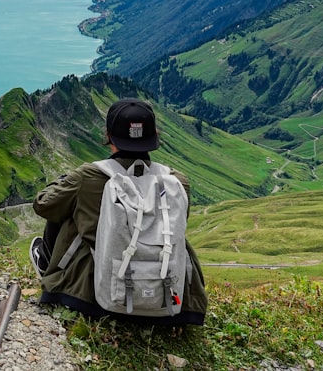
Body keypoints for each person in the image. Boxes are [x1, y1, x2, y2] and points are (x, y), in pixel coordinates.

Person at [30, 97, 208, 325]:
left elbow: (44, 204)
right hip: (169, 299)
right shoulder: (177, 182)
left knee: (68, 207)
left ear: (108, 136)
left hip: (94, 297)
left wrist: (65, 182)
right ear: (155, 135)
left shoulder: (89, 177)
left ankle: (49, 267)